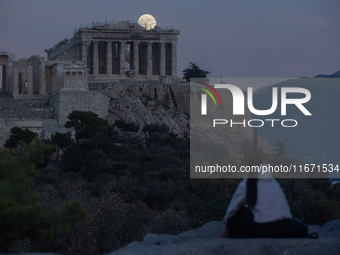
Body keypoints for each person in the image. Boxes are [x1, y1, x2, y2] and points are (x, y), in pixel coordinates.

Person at [220, 158, 308, 238]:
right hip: (284, 228)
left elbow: (233, 208)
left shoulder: (247, 182)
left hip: (263, 229)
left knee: (239, 213)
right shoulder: (272, 181)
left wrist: (227, 221)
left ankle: (221, 238)